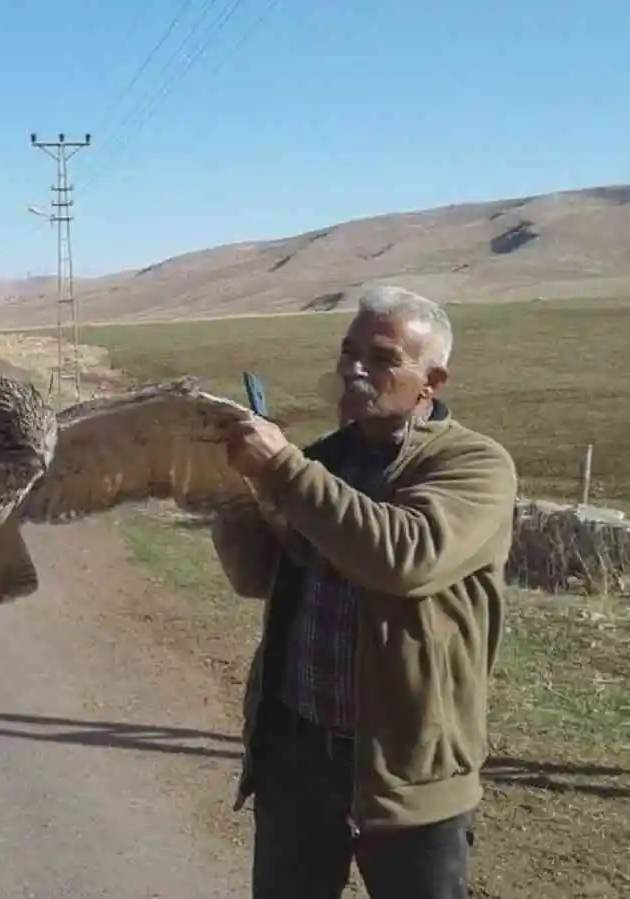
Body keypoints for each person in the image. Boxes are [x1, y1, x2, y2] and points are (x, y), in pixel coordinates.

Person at [216, 284, 519, 899]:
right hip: (295, 754)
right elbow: (253, 575)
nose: (354, 368)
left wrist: (281, 472)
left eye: (381, 358)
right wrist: (228, 490)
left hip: (408, 771)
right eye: (349, 351)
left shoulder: (475, 465)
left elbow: (404, 555)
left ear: (432, 381)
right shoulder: (320, 461)